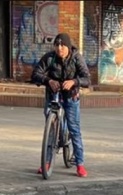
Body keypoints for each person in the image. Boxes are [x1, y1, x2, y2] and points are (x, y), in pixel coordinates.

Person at [32, 33, 90, 177]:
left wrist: (74, 82)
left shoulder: (76, 58)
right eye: (57, 45)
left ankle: (80, 164)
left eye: (62, 45)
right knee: (50, 129)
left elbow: (86, 78)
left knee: (74, 128)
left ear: (68, 47)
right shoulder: (50, 58)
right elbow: (35, 74)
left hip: (71, 96)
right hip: (54, 94)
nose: (59, 48)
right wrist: (48, 80)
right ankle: (46, 162)